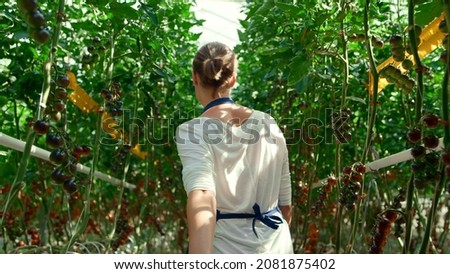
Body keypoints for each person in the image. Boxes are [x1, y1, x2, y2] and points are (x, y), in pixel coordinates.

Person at [176, 42, 293, 254]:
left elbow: (202, 193)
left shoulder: (192, 131)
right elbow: (285, 204)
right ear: (233, 79)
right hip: (276, 245)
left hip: (226, 248)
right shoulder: (268, 123)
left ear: (195, 77)